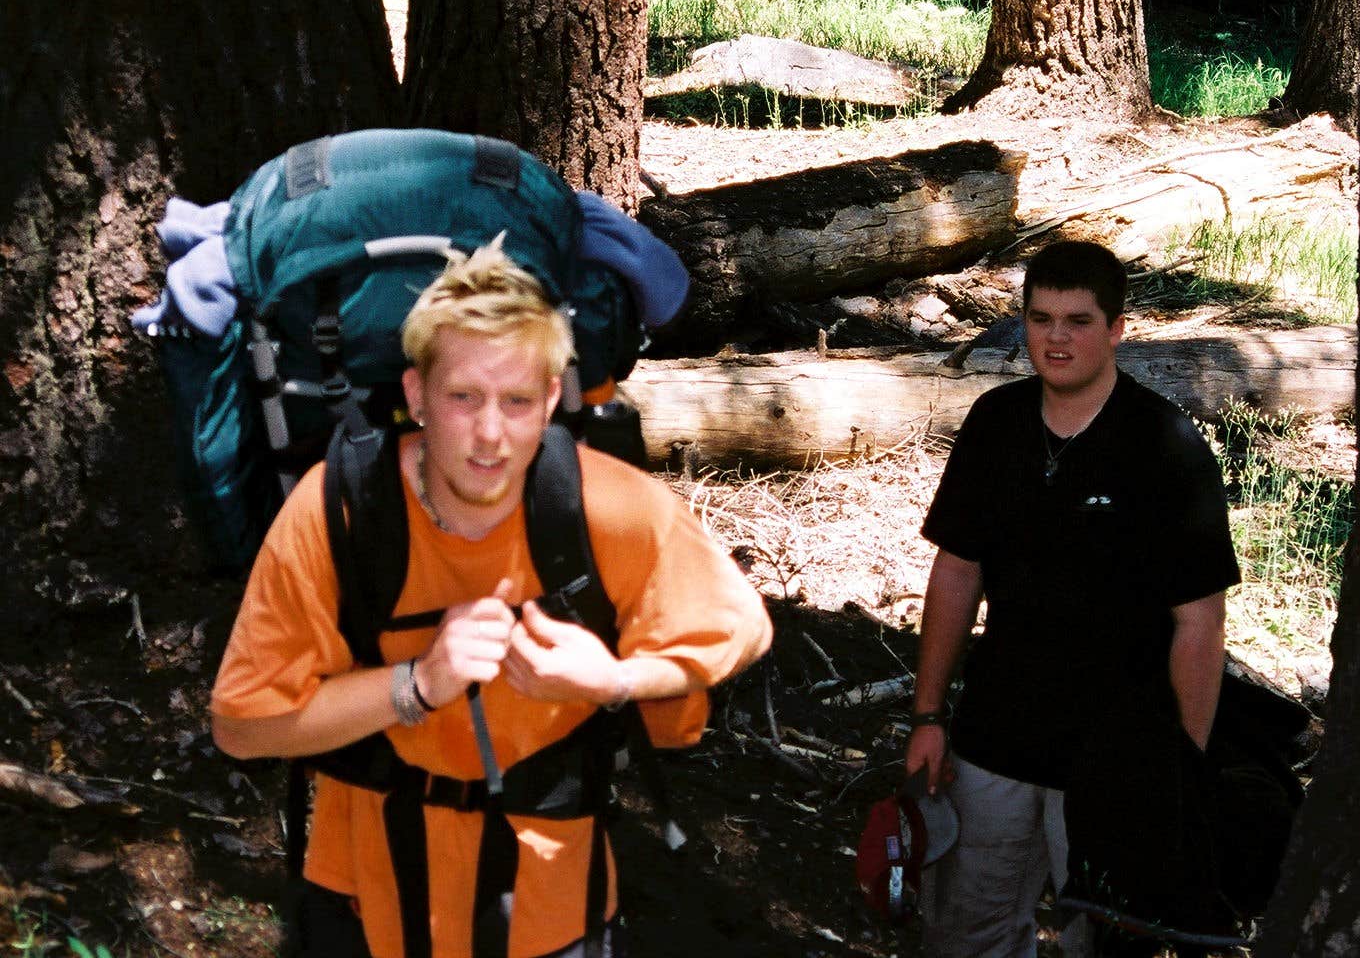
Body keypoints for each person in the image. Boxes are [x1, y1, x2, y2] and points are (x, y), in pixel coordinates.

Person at [210, 242, 773, 958]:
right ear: (415, 397)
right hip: (367, 896)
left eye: (515, 401)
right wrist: (416, 685)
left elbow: (742, 628)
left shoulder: (606, 506)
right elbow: (242, 726)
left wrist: (616, 679)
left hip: (550, 898)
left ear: (548, 400)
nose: (489, 435)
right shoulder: (340, 511)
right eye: (462, 397)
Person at [905, 240, 1239, 957]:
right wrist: (929, 716)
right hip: (994, 735)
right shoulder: (995, 423)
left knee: (1107, 944)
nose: (1057, 338)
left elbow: (1199, 621)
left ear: (1117, 329)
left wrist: (1186, 766)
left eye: (1079, 321)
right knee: (965, 933)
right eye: (1041, 318)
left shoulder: (1166, 446)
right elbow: (957, 571)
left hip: (1117, 755)